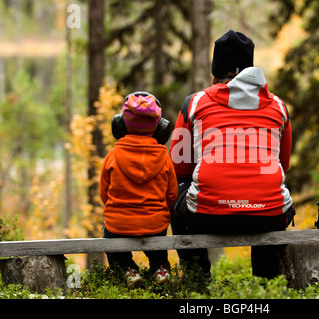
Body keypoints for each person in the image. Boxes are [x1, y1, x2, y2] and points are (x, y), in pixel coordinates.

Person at [169, 30, 295, 280]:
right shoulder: (278, 106)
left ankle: (197, 282)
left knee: (177, 188)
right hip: (268, 216)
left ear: (215, 72)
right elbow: (284, 163)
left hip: (206, 216)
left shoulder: (193, 103)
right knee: (273, 184)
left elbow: (179, 166)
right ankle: (265, 284)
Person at [100, 92, 178, 287]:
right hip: (155, 225)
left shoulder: (113, 155)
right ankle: (160, 268)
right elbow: (172, 195)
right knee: (158, 232)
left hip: (119, 224)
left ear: (120, 124)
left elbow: (104, 193)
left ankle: (127, 269)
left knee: (109, 234)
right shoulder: (164, 157)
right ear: (161, 128)